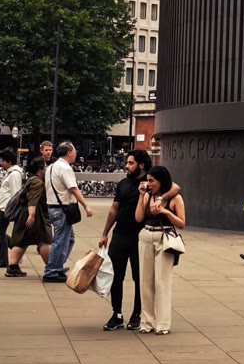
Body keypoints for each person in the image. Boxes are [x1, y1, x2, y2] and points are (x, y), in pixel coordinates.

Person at [99, 150, 146, 330]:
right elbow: (114, 208)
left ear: (141, 165)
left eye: (131, 163)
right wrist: (105, 233)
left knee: (139, 277)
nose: (126, 166)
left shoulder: (150, 182)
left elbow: (174, 187)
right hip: (120, 235)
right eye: (127, 163)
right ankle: (116, 314)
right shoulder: (124, 184)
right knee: (115, 275)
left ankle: (137, 314)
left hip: (140, 237)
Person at [136, 163, 185, 333]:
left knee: (162, 282)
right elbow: (138, 218)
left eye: (152, 181)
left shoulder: (175, 198)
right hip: (146, 235)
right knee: (145, 281)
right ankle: (146, 322)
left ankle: (163, 324)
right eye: (147, 180)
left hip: (165, 238)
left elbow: (181, 223)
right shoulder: (147, 195)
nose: (149, 184)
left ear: (161, 181)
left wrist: (166, 212)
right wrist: (141, 196)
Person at [43, 140, 91, 284]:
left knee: (68, 239)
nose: (76, 154)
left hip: (54, 207)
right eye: (75, 151)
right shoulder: (65, 168)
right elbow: (73, 188)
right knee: (60, 240)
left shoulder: (51, 167)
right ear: (69, 153)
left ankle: (57, 266)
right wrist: (85, 206)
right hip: (62, 209)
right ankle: (52, 271)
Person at [5, 155, 51, 276]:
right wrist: (31, 215)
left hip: (23, 214)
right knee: (44, 240)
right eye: (45, 166)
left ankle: (13, 267)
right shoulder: (37, 182)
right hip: (35, 215)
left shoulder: (31, 179)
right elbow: (32, 199)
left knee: (22, 241)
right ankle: (52, 268)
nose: (46, 168)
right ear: (40, 169)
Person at [0, 146, 23, 269]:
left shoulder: (14, 174)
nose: (1, 163)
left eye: (3, 160)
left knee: (0, 232)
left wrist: (13, 209)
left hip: (6, 208)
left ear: (9, 161)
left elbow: (15, 193)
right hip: (2, 206)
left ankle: (2, 260)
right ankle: (16, 250)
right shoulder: (10, 173)